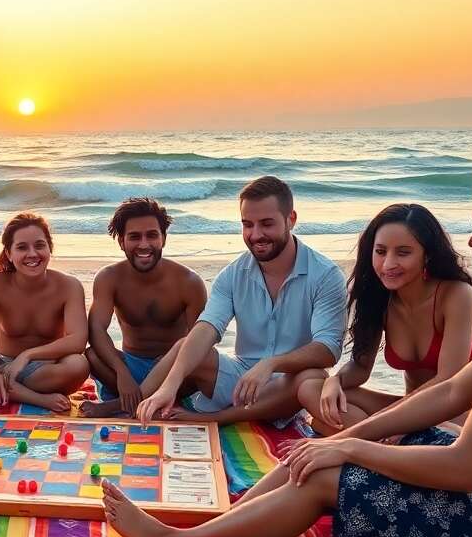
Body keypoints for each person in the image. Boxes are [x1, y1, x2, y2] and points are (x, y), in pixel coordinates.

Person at [104, 160, 472, 537]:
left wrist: (349, 449)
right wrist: (347, 436)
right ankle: (222, 520)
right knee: (323, 453)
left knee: (326, 477)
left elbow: (466, 468)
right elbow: (449, 391)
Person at [134, 176, 347, 425]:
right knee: (186, 346)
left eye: (266, 224)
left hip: (288, 389)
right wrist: (170, 386)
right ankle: (132, 407)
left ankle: (217, 418)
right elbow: (208, 327)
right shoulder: (232, 274)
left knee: (312, 376)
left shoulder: (325, 275)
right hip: (241, 381)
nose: (255, 235)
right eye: (247, 225)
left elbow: (329, 349)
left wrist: (271, 364)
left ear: (291, 220)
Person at [294, 203, 472, 435]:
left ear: (427, 255)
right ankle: (379, 440)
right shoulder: (379, 298)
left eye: (403, 253)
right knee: (311, 388)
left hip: (458, 418)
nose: (388, 264)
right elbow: (361, 367)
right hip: (408, 411)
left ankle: (366, 437)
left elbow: (448, 382)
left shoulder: (456, 295)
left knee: (326, 421)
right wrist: (336, 381)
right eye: (381, 251)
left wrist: (386, 420)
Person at [0, 212, 90, 412]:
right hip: (2, 366)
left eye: (39, 245)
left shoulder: (69, 286)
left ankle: (7, 391)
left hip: (44, 371)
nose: (32, 254)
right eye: (22, 247)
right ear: (9, 253)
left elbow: (78, 340)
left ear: (50, 248)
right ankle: (35, 399)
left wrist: (27, 356)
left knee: (79, 365)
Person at [81, 198, 207, 418]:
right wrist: (121, 372)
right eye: (134, 237)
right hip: (131, 365)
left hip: (173, 370)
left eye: (152, 235)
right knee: (91, 356)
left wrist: (173, 366)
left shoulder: (189, 282)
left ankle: (119, 405)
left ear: (163, 238)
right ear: (121, 241)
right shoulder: (109, 278)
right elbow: (96, 330)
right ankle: (140, 399)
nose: (144, 244)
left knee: (201, 363)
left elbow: (201, 340)